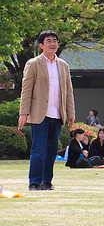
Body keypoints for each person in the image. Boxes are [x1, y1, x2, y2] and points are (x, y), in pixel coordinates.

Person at [18, 29, 75, 191]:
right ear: (41, 45)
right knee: (38, 150)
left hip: (57, 114)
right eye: (48, 41)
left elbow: (68, 91)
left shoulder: (63, 65)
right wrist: (24, 113)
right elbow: (26, 90)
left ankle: (47, 182)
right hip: (39, 114)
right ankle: (34, 182)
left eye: (55, 41)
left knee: (51, 151)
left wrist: (70, 112)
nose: (53, 44)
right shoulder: (33, 64)